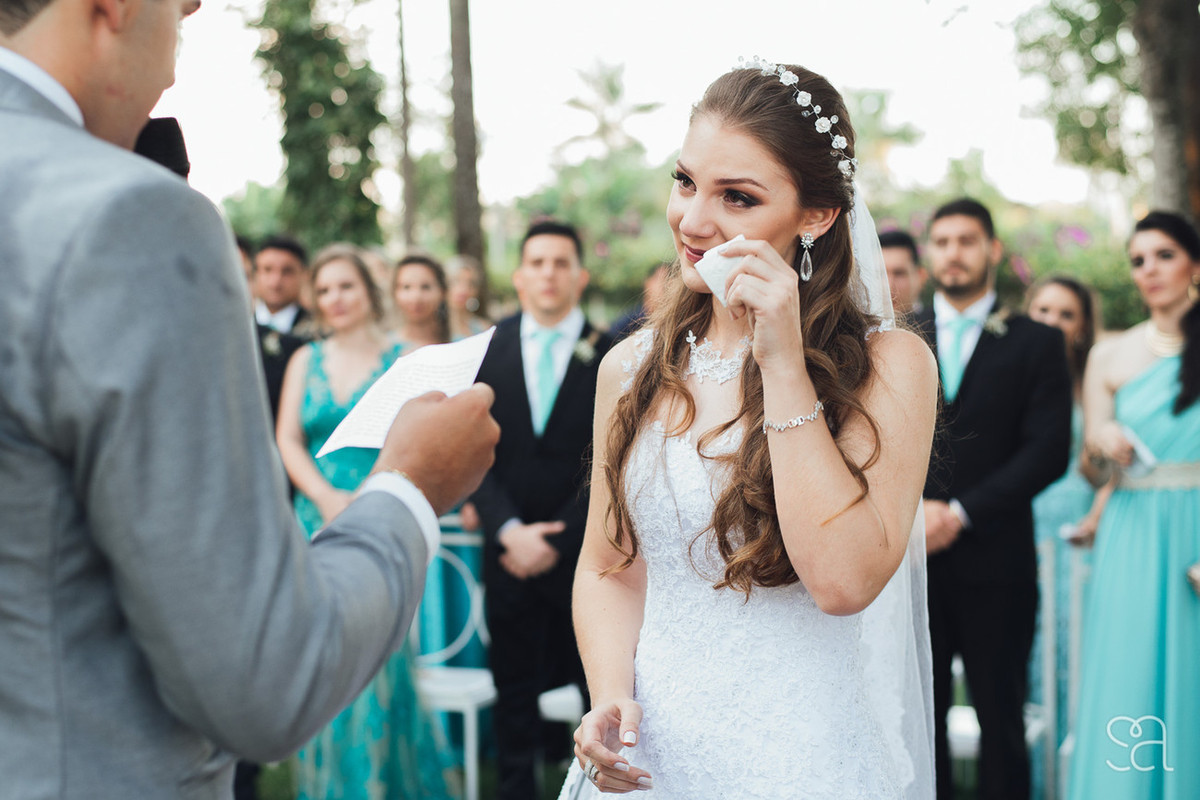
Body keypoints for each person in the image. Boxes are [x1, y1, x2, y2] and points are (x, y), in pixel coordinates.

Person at [0, 2, 500, 798]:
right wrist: (411, 486)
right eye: (181, 5)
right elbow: (266, 677)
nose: (189, 17)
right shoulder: (127, 214)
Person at [561, 60, 938, 798]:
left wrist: (785, 364)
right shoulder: (629, 367)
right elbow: (608, 566)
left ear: (818, 214)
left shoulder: (891, 365)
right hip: (654, 763)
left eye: (737, 197)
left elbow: (842, 581)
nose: (694, 221)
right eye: (685, 182)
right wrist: (609, 690)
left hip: (802, 759)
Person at [276, 244, 456, 799]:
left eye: (345, 286)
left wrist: (378, 494)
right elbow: (286, 438)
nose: (335, 299)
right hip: (315, 524)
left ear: (367, 291)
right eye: (324, 289)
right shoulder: (304, 360)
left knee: (379, 659)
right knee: (321, 659)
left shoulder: (404, 357)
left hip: (381, 515)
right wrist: (326, 496)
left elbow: (424, 436)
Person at [913, 198, 1073, 799]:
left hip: (998, 562)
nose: (954, 253)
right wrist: (912, 518)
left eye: (967, 241)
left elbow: (1047, 450)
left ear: (993, 251)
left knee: (1000, 717)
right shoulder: (897, 337)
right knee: (915, 722)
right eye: (944, 240)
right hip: (909, 565)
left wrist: (959, 512)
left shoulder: (1036, 342)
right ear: (931, 252)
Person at [469, 219, 615, 800]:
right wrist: (508, 530)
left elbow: (614, 458)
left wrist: (558, 538)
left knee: (596, 687)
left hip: (590, 557)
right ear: (519, 276)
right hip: (508, 554)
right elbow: (470, 453)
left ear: (579, 277)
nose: (548, 273)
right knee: (514, 691)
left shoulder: (611, 354)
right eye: (537, 263)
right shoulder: (488, 348)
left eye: (560, 263)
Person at [1067, 211, 1200, 800]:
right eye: (1138, 259)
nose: (1149, 269)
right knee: (1129, 673)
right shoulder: (1109, 357)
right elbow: (1091, 470)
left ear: (1194, 264)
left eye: (1164, 254)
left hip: (1194, 529)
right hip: (1132, 530)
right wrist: (1101, 445)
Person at [1023, 275, 1111, 797]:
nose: (1052, 323)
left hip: (1076, 542)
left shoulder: (1093, 386)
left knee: (1073, 661)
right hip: (1021, 535)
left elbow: (1110, 474)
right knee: (1030, 670)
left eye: (1066, 314)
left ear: (1082, 328)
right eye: (1042, 311)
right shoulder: (1016, 380)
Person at [254, 233, 318, 338]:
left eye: (287, 271)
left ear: (304, 275)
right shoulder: (238, 323)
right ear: (256, 273)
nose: (275, 281)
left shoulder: (316, 330)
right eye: (267, 270)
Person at [393, 253, 452, 349]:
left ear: (443, 292)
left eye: (426, 287)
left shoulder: (462, 345)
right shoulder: (382, 349)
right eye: (406, 287)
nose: (416, 297)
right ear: (395, 292)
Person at [609, 261, 671, 341]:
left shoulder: (670, 322)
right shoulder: (632, 318)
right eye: (659, 279)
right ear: (647, 282)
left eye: (667, 280)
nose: (663, 285)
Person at [880, 228, 927, 315]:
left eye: (899, 274)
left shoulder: (941, 323)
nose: (889, 286)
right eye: (880, 275)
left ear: (921, 276)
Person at [446, 254, 494, 339]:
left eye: (471, 284)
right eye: (457, 281)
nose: (464, 289)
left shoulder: (484, 328)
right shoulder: (432, 328)